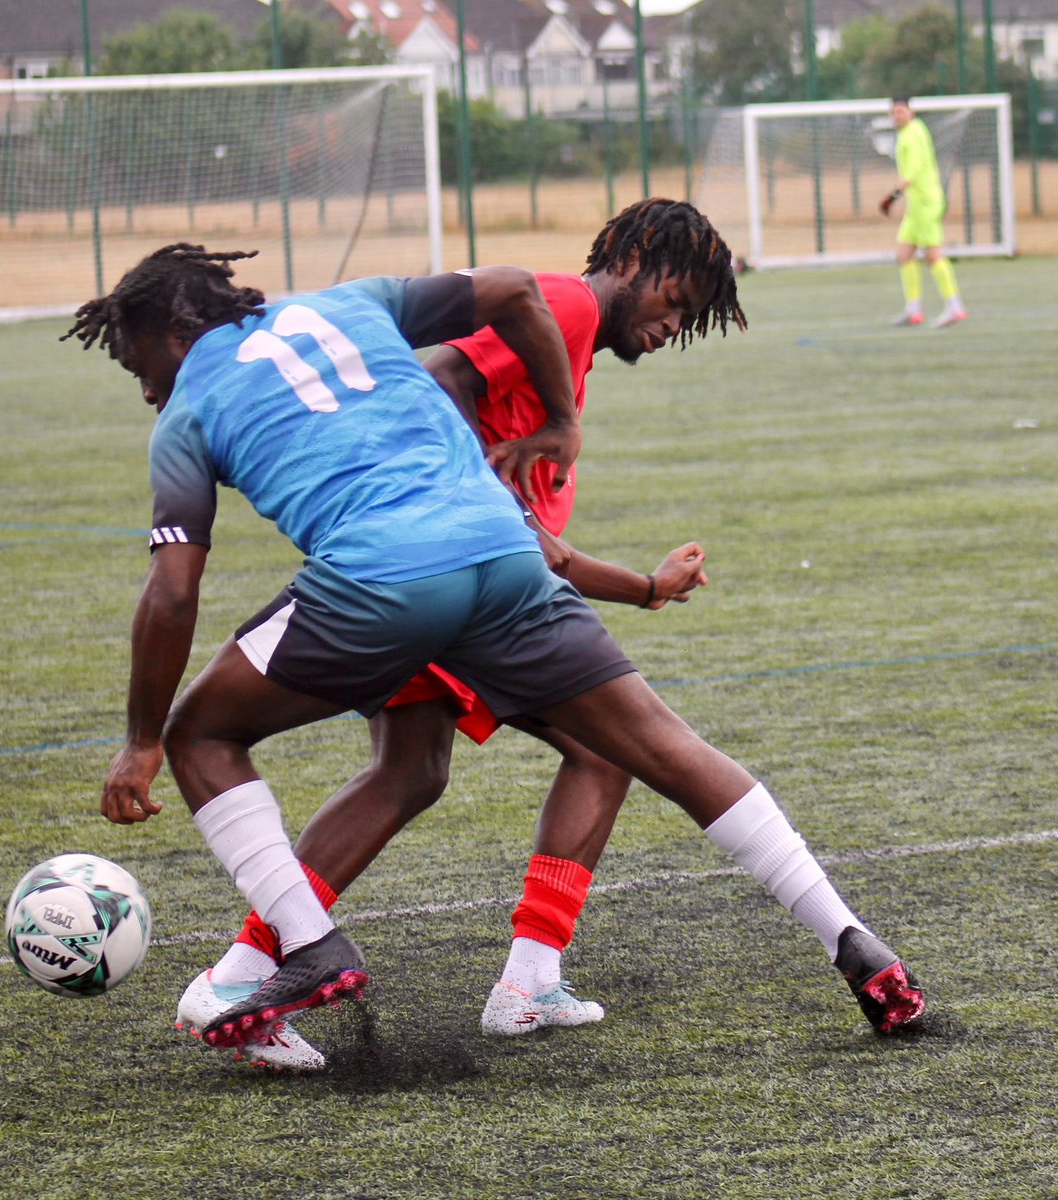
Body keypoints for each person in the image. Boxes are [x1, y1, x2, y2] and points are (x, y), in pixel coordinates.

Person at [64, 243, 926, 1067]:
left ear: (174, 332)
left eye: (137, 363)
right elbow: (514, 287)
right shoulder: (353, 303)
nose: (145, 388)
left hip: (379, 581)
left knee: (198, 736)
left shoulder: (187, 414)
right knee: (657, 746)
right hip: (507, 558)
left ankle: (308, 946)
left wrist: (139, 740)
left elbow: (172, 593)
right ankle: (852, 939)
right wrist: (562, 421)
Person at [180, 199, 740, 1071]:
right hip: (453, 574)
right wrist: (482, 505)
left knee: (409, 773)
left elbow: (544, 545)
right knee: (602, 751)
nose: (674, 324)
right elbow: (441, 371)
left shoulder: (568, 336)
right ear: (632, 257)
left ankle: (244, 970)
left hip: (440, 570)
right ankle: (525, 979)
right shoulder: (571, 304)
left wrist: (640, 587)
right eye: (675, 299)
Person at [880, 96, 967, 330]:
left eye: (901, 111)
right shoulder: (913, 130)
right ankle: (913, 310)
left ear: (911, 112)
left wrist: (892, 196)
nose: (897, 115)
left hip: (926, 203)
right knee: (904, 254)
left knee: (933, 255)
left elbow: (913, 171)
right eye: (894, 112)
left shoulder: (913, 134)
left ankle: (955, 306)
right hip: (916, 205)